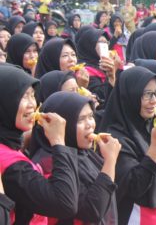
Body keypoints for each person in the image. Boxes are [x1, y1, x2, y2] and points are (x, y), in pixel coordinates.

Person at [100, 67, 156, 224]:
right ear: (130, 96)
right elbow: (135, 186)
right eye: (147, 94)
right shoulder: (116, 137)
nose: (155, 101)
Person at [0, 64, 79, 223]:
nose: (33, 104)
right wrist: (58, 141)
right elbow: (65, 204)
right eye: (23, 96)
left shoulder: (10, 144)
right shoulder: (11, 165)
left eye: (33, 95)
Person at [30, 91, 121, 224]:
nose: (90, 124)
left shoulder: (85, 152)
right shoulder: (49, 162)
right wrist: (110, 161)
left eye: (91, 116)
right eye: (80, 120)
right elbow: (92, 210)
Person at [77, 28, 117, 108]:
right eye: (101, 42)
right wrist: (110, 75)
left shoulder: (101, 64)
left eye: (106, 42)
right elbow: (101, 97)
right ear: (89, 45)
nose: (105, 46)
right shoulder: (83, 70)